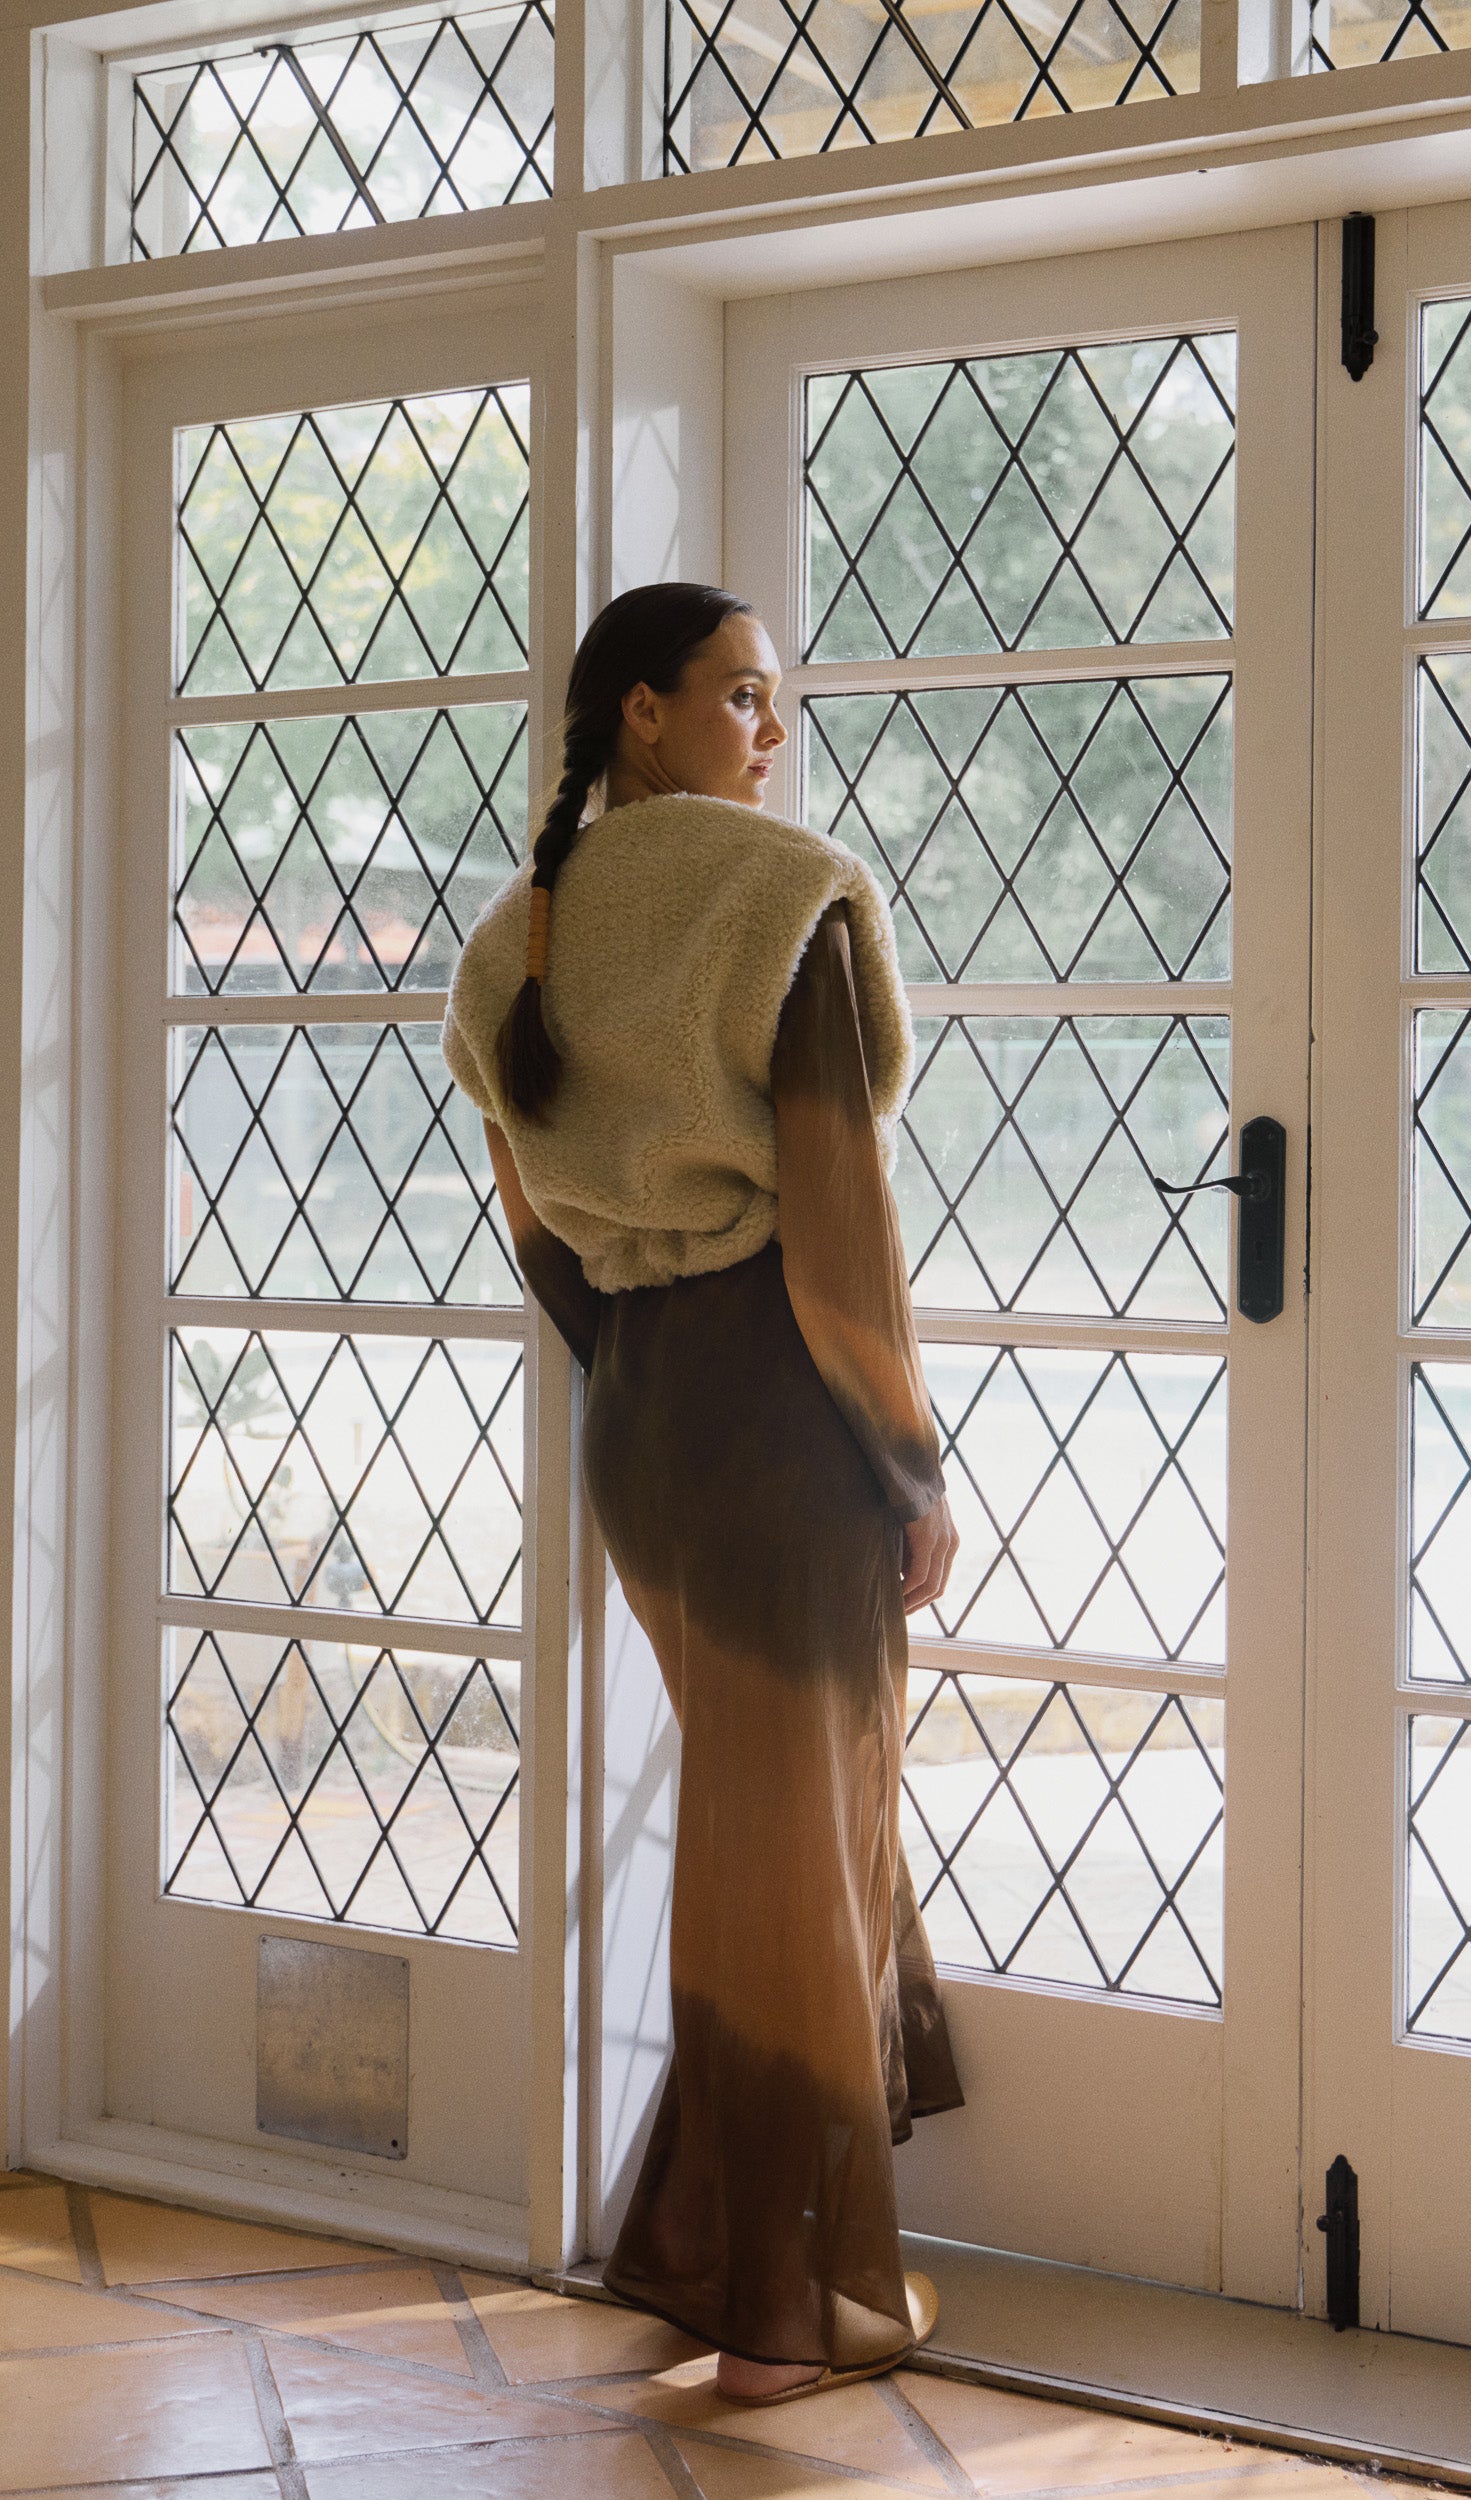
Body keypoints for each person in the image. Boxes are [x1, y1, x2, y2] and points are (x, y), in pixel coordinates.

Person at [442, 581, 965, 2405]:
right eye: (739, 695)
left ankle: (714, 2255)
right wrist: (909, 1461)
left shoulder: (519, 937)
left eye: (776, 698)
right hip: (776, 1416)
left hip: (642, 1426)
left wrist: (634, 1365)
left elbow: (534, 1222)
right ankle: (776, 2311)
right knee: (793, 1851)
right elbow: (837, 1223)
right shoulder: (778, 894)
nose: (769, 728)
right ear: (645, 714)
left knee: (768, 1838)